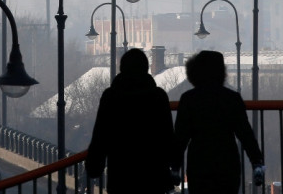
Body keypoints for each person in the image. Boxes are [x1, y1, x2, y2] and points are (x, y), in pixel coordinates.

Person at [87, 48, 177, 193]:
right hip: (153, 175)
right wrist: (174, 165)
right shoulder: (158, 96)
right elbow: (167, 136)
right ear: (145, 68)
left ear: (122, 68)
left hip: (121, 175)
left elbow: (101, 135)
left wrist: (94, 167)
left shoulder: (111, 97)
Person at [174, 50, 265, 193]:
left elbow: (180, 137)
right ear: (221, 72)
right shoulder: (232, 98)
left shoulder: (188, 99)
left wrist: (175, 166)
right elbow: (245, 134)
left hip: (198, 162)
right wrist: (256, 161)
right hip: (227, 162)